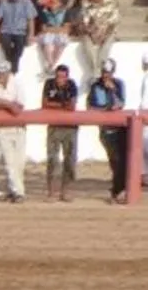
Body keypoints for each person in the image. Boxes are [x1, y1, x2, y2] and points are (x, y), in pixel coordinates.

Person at [86, 61, 128, 202]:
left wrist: (112, 90)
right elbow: (90, 106)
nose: (106, 75)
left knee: (123, 159)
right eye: (104, 72)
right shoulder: (95, 85)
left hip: (120, 127)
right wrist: (104, 110)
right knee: (115, 159)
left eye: (108, 72)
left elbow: (120, 104)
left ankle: (119, 189)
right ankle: (117, 190)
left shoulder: (119, 84)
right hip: (106, 128)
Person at [0, 64, 28, 203]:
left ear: (9, 73)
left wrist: (3, 103)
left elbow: (20, 105)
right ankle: (19, 192)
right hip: (1, 128)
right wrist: (9, 104)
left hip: (18, 127)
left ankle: (13, 190)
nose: (1, 76)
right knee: (9, 161)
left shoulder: (16, 83)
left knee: (19, 162)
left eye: (4, 73)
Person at [42, 63, 79, 202]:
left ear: (67, 77)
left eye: (62, 77)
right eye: (58, 76)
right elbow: (44, 103)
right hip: (54, 126)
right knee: (52, 159)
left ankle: (65, 191)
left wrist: (56, 105)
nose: (59, 79)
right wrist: (62, 105)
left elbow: (72, 105)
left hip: (69, 126)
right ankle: (51, 191)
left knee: (69, 160)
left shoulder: (72, 85)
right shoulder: (49, 84)